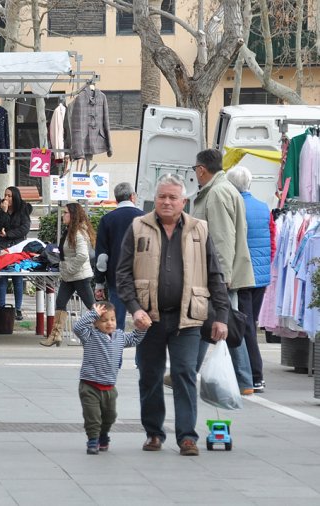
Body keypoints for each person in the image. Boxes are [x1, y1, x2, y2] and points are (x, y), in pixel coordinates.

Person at [116, 173, 230, 457]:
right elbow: (123, 274)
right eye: (161, 197)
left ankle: (187, 437)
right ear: (154, 199)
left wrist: (221, 316)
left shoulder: (199, 229)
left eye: (172, 198)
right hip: (149, 319)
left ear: (184, 202)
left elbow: (215, 275)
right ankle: (154, 433)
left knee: (184, 374)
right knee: (150, 375)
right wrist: (135, 308)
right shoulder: (137, 227)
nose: (166, 202)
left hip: (188, 318)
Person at [191, 149, 255, 396]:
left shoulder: (216, 193)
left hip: (219, 274)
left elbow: (221, 239)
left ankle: (242, 377)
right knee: (214, 322)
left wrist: (222, 277)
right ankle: (189, 371)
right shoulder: (225, 189)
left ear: (201, 169)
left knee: (223, 323)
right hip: (222, 272)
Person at [72, 302, 146, 455]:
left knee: (110, 415)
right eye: (104, 320)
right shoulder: (90, 336)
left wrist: (142, 328)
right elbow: (77, 327)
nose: (109, 323)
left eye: (112, 319)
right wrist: (93, 314)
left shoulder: (119, 336)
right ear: (95, 322)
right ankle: (93, 440)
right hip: (89, 385)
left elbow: (134, 339)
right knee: (93, 416)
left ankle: (103, 435)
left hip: (110, 387)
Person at [227, 165, 272, 393]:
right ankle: (250, 375)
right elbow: (270, 241)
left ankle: (255, 376)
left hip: (244, 276)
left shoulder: (235, 206)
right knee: (249, 325)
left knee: (245, 328)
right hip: (262, 276)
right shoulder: (263, 207)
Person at [41, 202, 96, 347]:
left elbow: (83, 255)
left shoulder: (78, 233)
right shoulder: (70, 231)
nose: (63, 215)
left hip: (80, 275)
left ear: (73, 215)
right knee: (60, 303)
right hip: (70, 275)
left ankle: (105, 334)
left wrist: (70, 269)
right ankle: (55, 335)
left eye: (66, 213)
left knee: (92, 306)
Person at [94, 183, 144, 330]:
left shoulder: (107, 220)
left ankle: (116, 351)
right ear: (132, 196)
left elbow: (102, 257)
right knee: (144, 321)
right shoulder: (144, 218)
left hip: (116, 277)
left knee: (115, 321)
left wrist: (99, 282)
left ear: (116, 200)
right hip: (142, 276)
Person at [0, 186, 33, 321]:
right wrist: (3, 212)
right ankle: (2, 307)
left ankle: (18, 309)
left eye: (9, 196)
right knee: (2, 277)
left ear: (15, 197)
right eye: (5, 195)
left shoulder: (23, 209)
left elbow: (24, 228)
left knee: (17, 277)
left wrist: (8, 234)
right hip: (1, 246)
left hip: (17, 247)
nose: (7, 198)